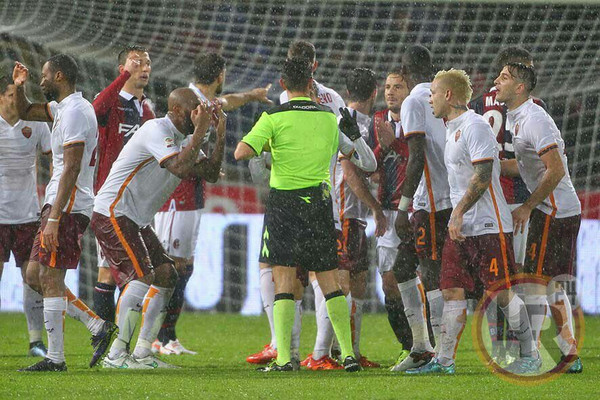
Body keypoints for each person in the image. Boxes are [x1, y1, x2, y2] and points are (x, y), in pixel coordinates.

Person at [234, 58, 361, 372]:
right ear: (310, 84)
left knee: (285, 282)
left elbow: (242, 152)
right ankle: (346, 355)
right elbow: (351, 153)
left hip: (284, 205)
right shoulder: (329, 117)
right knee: (329, 280)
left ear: (282, 86)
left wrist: (271, 149)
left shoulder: (274, 116)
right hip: (319, 202)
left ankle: (283, 359)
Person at [408, 68, 538, 375]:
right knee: (452, 290)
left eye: (434, 92)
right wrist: (457, 216)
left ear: (449, 95)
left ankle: (531, 354)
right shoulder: (451, 128)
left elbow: (482, 177)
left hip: (489, 226)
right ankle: (444, 361)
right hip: (463, 229)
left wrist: (457, 211)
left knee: (502, 294)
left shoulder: (475, 125)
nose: (430, 98)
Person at [94, 88, 226, 369]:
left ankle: (143, 352)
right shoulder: (156, 129)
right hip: (113, 210)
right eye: (194, 109)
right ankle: (116, 356)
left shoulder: (186, 138)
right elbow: (178, 167)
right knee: (142, 276)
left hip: (135, 218)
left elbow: (211, 174)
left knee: (167, 275)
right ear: (177, 111)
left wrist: (221, 134)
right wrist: (201, 132)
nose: (198, 114)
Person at [153, 52, 271, 356]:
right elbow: (175, 149)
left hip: (191, 192)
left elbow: (229, 101)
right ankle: (156, 336)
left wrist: (254, 95)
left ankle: (167, 336)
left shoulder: (204, 102)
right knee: (169, 267)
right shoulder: (188, 102)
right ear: (220, 74)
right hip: (174, 196)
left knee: (185, 267)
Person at [13, 56, 116, 372]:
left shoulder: (73, 113)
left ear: (58, 76)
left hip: (68, 205)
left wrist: (55, 218)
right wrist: (19, 87)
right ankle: (95, 325)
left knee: (49, 276)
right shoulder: (64, 109)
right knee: (34, 275)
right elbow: (25, 111)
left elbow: (71, 166)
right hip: (60, 202)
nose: (40, 81)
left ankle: (56, 359)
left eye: (43, 76)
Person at [496, 62, 583, 373]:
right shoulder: (519, 117)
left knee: (536, 282)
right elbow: (527, 166)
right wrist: (491, 166)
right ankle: (568, 354)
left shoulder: (534, 119)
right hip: (557, 208)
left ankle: (532, 358)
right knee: (549, 285)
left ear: (520, 88)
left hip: (554, 209)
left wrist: (528, 206)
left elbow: (555, 169)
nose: (497, 81)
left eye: (504, 77)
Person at [469, 46, 546, 366]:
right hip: (519, 198)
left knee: (497, 276)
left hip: (489, 199)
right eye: (523, 70)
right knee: (524, 275)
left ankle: (502, 343)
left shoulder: (476, 104)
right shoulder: (534, 106)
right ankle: (529, 345)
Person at [393, 45, 450, 371]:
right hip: (444, 198)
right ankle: (420, 347)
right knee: (403, 268)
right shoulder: (442, 95)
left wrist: (403, 207)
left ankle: (439, 356)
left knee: (431, 274)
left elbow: (416, 158)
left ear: (404, 71)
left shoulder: (414, 101)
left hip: (431, 202)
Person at [92, 45, 155, 323]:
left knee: (136, 269)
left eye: (147, 63)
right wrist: (122, 78)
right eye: (137, 63)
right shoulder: (111, 101)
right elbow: (95, 110)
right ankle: (105, 336)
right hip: (111, 196)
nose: (145, 68)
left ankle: (115, 338)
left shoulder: (146, 108)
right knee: (108, 270)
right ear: (123, 69)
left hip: (138, 197)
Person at [331, 67, 384, 368]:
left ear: (348, 92)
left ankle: (353, 349)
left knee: (359, 281)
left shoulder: (361, 122)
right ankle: (338, 351)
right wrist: (376, 206)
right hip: (345, 210)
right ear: (374, 92)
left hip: (355, 213)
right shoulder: (347, 123)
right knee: (344, 282)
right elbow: (350, 172)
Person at [0, 72, 51, 357]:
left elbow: (54, 156)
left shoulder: (34, 122)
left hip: (28, 215)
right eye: (11, 95)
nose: (16, 101)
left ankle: (35, 341)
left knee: (32, 278)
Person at [367, 70, 415, 369]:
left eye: (398, 87)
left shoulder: (419, 117)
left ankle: (428, 344)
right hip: (387, 211)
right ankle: (408, 345)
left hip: (415, 208)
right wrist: (382, 146)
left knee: (423, 279)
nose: (391, 92)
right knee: (389, 283)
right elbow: (369, 164)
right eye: (387, 87)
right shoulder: (378, 120)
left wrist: (394, 146)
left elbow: (422, 159)